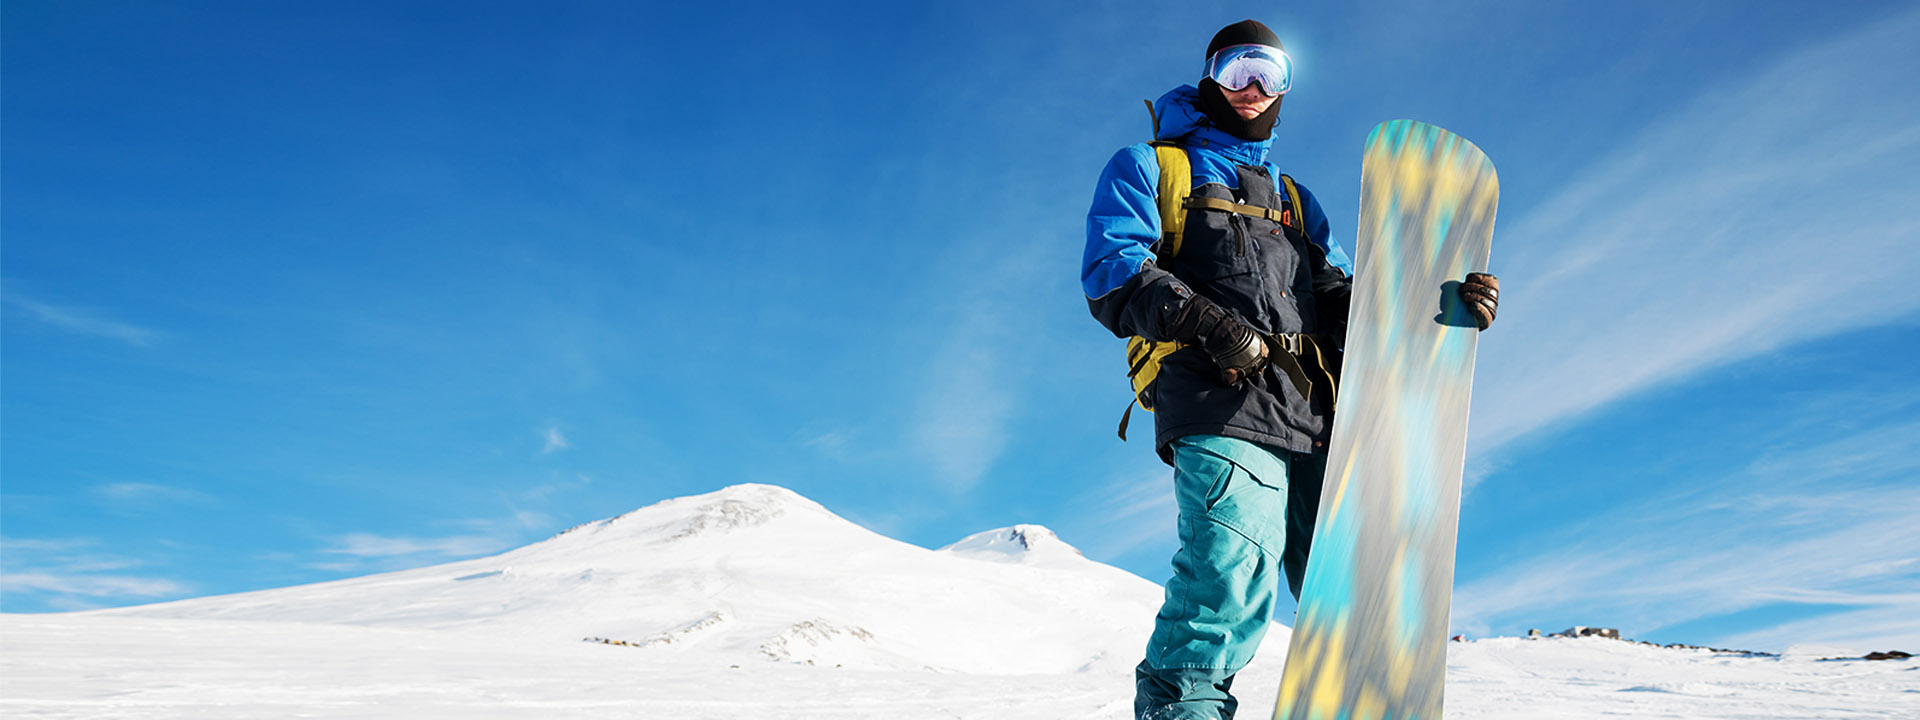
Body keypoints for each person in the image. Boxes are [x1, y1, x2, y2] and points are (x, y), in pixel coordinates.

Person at [1080, 19, 1499, 720]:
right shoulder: (1153, 166)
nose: (1252, 86)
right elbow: (1112, 269)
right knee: (1231, 575)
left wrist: (1445, 306)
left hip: (1315, 414)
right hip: (1217, 399)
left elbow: (1349, 304)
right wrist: (1211, 325)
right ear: (1210, 76)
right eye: (1237, 67)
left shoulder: (1297, 201)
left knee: (1347, 593)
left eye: (1269, 72)